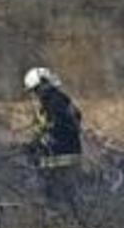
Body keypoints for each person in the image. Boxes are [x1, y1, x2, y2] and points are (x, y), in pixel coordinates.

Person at [22, 67, 84, 209]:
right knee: (65, 200)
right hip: (62, 157)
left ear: (44, 84)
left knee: (59, 201)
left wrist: (39, 143)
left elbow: (58, 128)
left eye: (36, 90)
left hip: (60, 159)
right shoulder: (58, 101)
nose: (36, 95)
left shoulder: (55, 102)